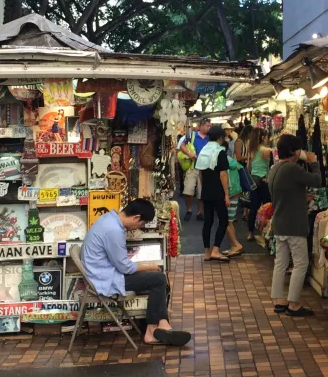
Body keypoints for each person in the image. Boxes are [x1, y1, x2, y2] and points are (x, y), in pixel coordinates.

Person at [81, 198, 191, 346]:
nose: (139, 228)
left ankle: (161, 323)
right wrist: (149, 266)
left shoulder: (109, 219)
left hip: (103, 274)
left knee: (157, 279)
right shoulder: (114, 230)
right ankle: (153, 329)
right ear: (136, 217)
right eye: (141, 224)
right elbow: (124, 268)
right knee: (158, 279)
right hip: (105, 279)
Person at [268, 134, 323, 317]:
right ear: (293, 151)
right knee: (301, 263)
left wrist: (301, 197)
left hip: (280, 222)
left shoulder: (275, 168)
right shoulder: (292, 168)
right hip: (293, 224)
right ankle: (294, 303)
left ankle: (278, 300)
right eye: (299, 149)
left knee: (281, 263)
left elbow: (284, 195)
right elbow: (316, 181)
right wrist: (314, 163)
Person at [196, 125, 231, 262]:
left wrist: (204, 187)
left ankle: (207, 252)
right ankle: (216, 250)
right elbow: (223, 174)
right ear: (220, 137)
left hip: (206, 190)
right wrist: (226, 194)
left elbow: (200, 173)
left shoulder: (203, 150)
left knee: (208, 221)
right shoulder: (220, 151)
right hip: (218, 191)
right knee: (223, 220)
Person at [178, 118, 211, 222]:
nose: (208, 128)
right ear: (201, 126)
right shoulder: (192, 135)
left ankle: (200, 212)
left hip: (204, 168)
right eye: (207, 126)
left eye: (209, 126)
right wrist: (189, 153)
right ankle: (189, 210)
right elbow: (181, 146)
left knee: (202, 193)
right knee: (188, 190)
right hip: (192, 166)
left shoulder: (210, 138)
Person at [245, 128, 272, 240]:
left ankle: (250, 233)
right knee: (267, 207)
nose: (267, 139)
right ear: (263, 137)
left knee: (253, 208)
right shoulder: (266, 150)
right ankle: (265, 232)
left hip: (254, 180)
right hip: (264, 180)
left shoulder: (252, 150)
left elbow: (248, 167)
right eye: (266, 137)